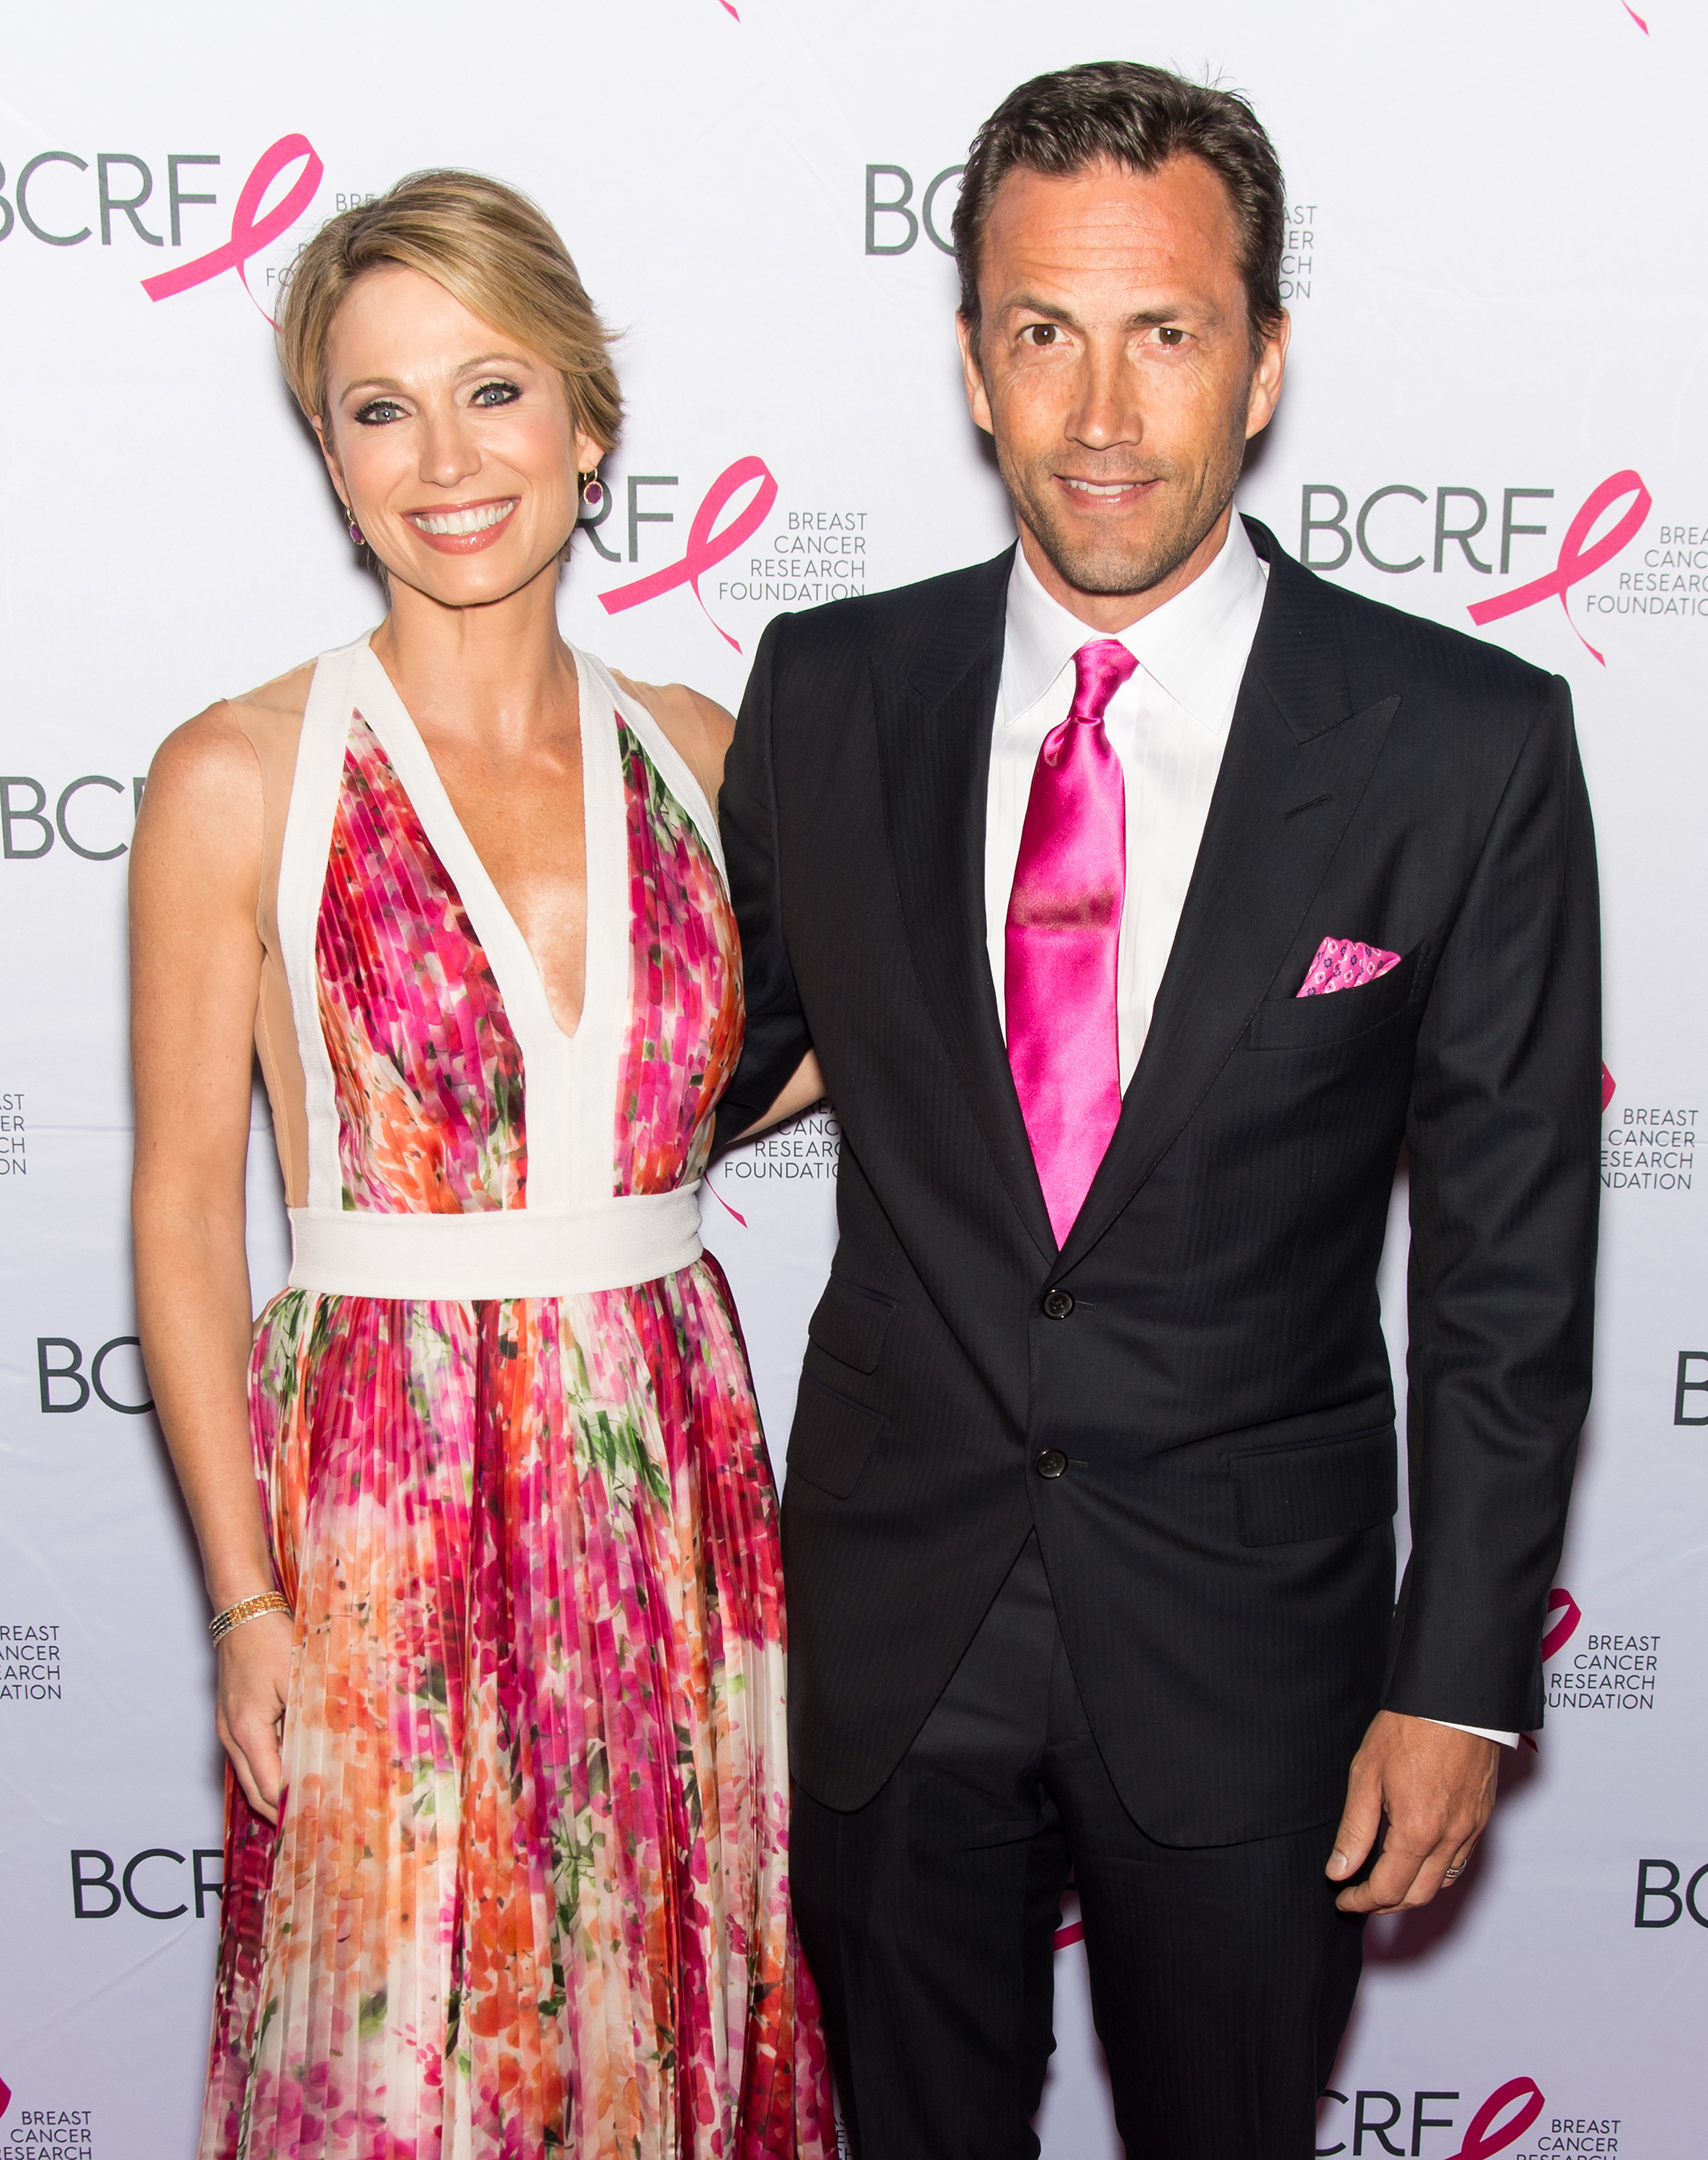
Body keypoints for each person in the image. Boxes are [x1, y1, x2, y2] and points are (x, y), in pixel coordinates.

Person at [714, 60, 1599, 2160]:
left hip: (1252, 1645)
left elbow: (1508, 1263)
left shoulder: (1462, 744)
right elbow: (691, 1069)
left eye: (1165, 334)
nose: (1102, 415)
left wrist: (1457, 1675)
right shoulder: (826, 692)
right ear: (971, 364)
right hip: (888, 1627)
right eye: (1043, 334)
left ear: (1263, 361)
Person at [130, 171, 830, 2160]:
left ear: (588, 423)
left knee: (657, 2031)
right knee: (389, 2060)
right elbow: (186, 1205)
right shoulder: (237, 774)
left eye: (493, 389)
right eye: (378, 408)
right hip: (375, 1490)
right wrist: (245, 1606)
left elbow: (742, 1063)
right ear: (330, 457)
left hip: (668, 1473)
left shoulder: (704, 743)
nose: (444, 459)